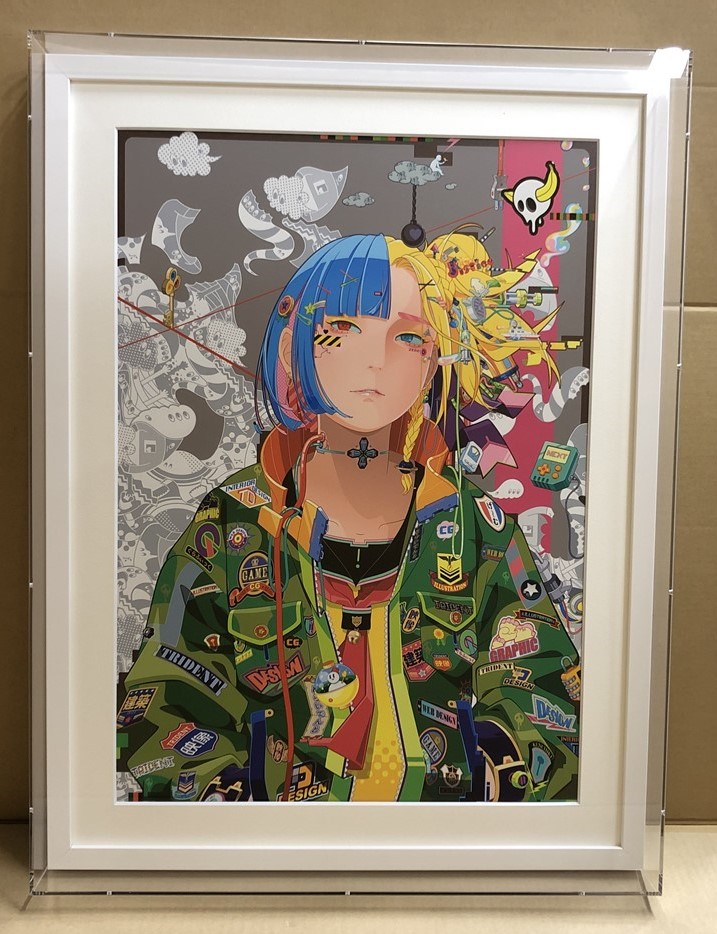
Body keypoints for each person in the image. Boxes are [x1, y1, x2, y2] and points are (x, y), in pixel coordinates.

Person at [116, 232, 580, 803]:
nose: (376, 360)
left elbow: (548, 693)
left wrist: (493, 774)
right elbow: (159, 703)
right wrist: (230, 795)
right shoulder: (232, 522)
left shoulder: (476, 524)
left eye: (408, 337)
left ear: (434, 361)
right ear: (292, 347)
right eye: (342, 328)